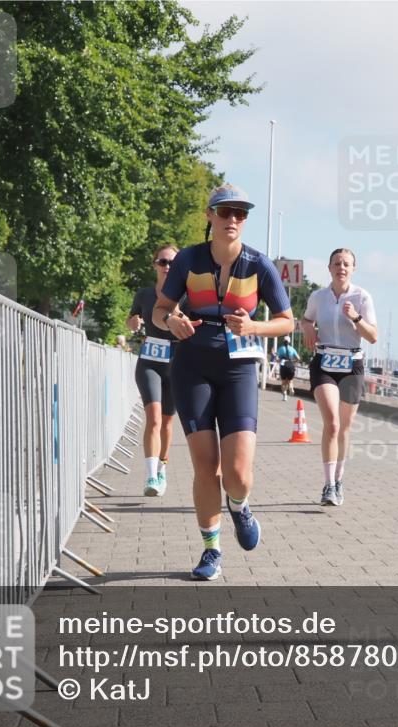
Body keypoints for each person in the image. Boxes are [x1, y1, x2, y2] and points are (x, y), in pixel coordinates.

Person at [153, 184, 293, 581]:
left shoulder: (259, 265)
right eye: (225, 212)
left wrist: (254, 325)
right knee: (205, 465)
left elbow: (287, 320)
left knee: (238, 473)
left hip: (239, 368)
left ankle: (240, 505)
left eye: (241, 213)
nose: (233, 219)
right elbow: (161, 311)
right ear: (209, 215)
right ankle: (211, 550)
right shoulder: (189, 260)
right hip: (192, 366)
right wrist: (173, 320)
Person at [301, 248, 378, 506]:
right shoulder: (318, 296)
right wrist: (308, 329)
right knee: (331, 424)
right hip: (324, 363)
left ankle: (339, 479)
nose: (341, 267)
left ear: (353, 269)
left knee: (344, 428)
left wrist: (355, 317)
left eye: (346, 264)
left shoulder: (362, 297)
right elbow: (306, 319)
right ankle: (328, 485)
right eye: (337, 263)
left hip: (352, 365)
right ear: (329, 268)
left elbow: (373, 336)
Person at [127, 244, 180, 498]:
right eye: (163, 262)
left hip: (177, 363)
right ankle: (150, 476)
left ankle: (161, 469)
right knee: (154, 418)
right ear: (155, 265)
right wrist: (133, 322)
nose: (167, 266)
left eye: (172, 262)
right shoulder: (144, 294)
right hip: (149, 360)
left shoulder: (187, 296)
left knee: (168, 423)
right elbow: (131, 320)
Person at [276, 335, 300, 401]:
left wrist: (279, 360)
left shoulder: (280, 348)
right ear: (289, 342)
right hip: (290, 365)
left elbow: (277, 358)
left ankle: (285, 396)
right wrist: (293, 362)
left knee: (283, 382)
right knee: (290, 381)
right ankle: (291, 388)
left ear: (283, 341)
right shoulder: (292, 349)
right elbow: (298, 358)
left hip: (283, 365)